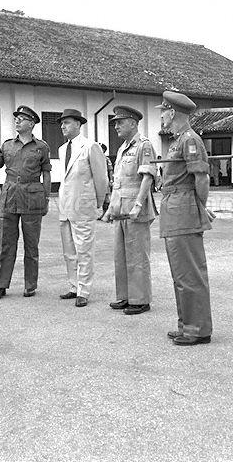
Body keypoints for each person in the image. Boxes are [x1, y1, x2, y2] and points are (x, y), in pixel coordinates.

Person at [156, 90, 213, 346]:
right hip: (174, 209)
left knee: (190, 272)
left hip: (184, 210)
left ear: (173, 112)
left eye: (163, 111)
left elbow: (201, 178)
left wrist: (200, 207)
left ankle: (198, 328)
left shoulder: (190, 140)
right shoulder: (178, 140)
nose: (161, 116)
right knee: (180, 272)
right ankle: (186, 324)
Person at [0, 106, 52, 300]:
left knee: (31, 245)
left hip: (32, 198)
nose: (17, 121)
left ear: (31, 124)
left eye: (22, 119)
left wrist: (46, 198)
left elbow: (46, 174)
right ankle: (0, 285)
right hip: (9, 198)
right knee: (6, 244)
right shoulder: (6, 145)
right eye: (16, 118)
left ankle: (30, 285)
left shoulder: (42, 147)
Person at [101, 106, 157, 315]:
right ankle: (125, 296)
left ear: (133, 123)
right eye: (115, 122)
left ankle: (140, 299)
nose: (116, 126)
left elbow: (147, 177)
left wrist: (139, 204)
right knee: (121, 254)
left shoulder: (144, 146)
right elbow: (118, 183)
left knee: (137, 254)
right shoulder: (124, 147)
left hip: (135, 205)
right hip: (120, 206)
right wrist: (110, 209)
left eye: (120, 122)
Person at [56, 108, 109, 307]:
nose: (63, 126)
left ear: (78, 124)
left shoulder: (90, 146)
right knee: (68, 250)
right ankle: (73, 286)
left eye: (67, 122)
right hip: (66, 206)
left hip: (84, 206)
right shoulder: (62, 149)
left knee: (84, 250)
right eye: (61, 123)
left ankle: (84, 290)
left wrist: (98, 204)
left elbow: (101, 178)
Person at [99, 143, 114, 218]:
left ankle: (108, 214)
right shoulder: (96, 158)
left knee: (106, 198)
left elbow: (110, 170)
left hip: (105, 181)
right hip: (98, 181)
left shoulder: (106, 159)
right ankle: (103, 213)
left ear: (103, 150)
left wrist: (111, 180)